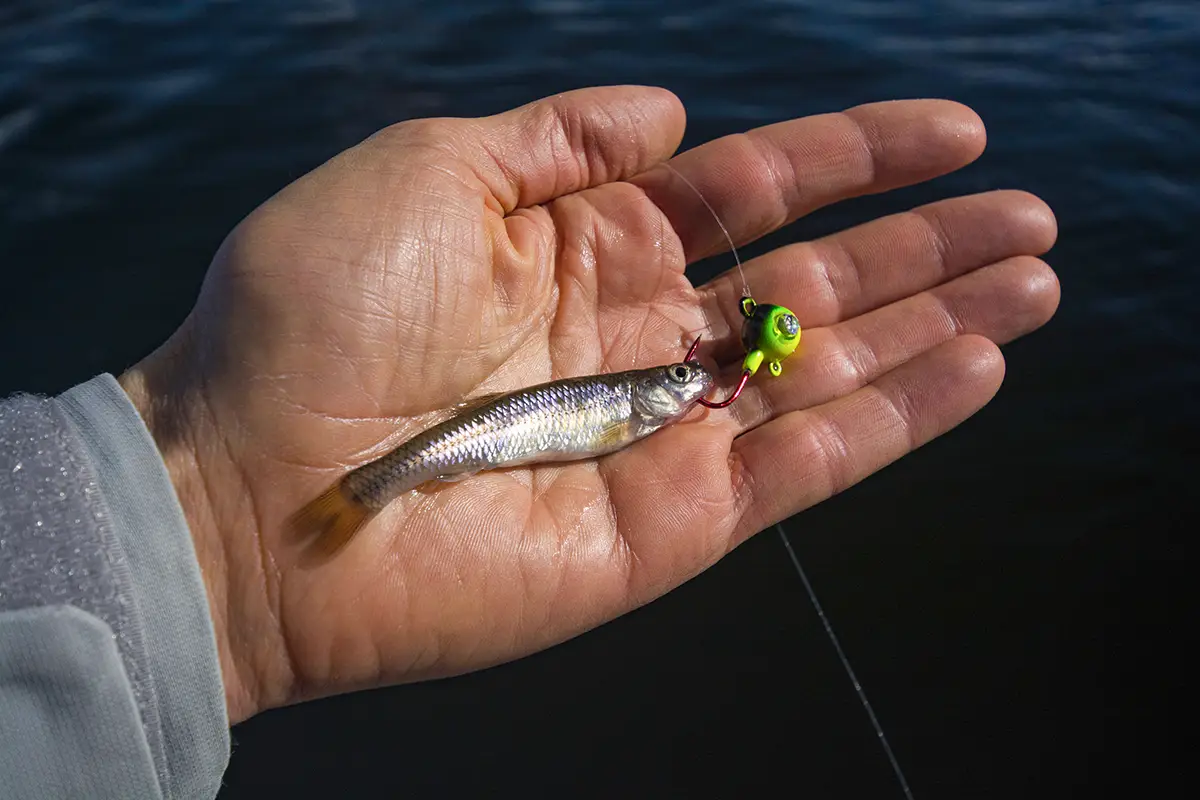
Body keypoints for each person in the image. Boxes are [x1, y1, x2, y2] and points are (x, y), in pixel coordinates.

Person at [0, 86, 1059, 798]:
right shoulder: (664, 396)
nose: (694, 384)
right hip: (462, 444)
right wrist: (213, 523)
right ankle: (361, 494)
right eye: (687, 379)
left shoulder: (664, 393)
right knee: (467, 447)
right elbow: (650, 400)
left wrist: (198, 531)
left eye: (692, 381)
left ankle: (343, 501)